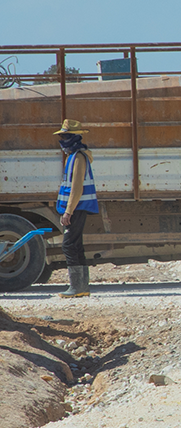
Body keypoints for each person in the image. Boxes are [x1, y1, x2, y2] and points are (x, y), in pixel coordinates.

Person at [54, 119, 99, 298]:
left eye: (65, 136)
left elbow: (77, 187)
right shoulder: (73, 156)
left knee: (68, 245)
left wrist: (68, 211)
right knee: (76, 244)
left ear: (73, 137)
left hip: (77, 207)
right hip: (77, 207)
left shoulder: (78, 157)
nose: (62, 140)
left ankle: (77, 287)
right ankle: (81, 287)